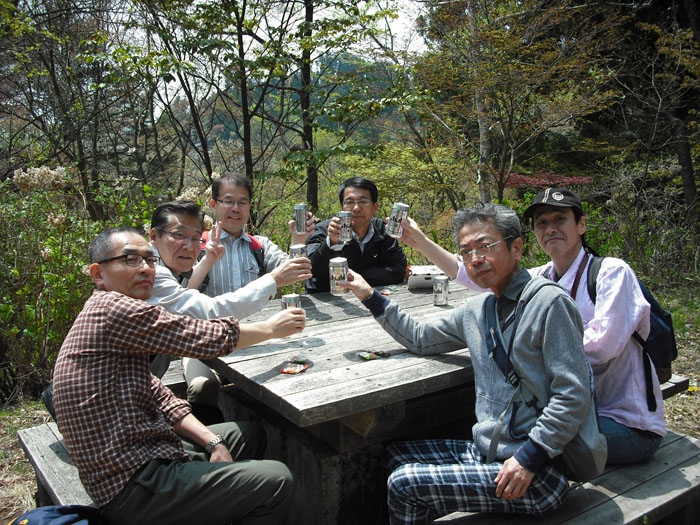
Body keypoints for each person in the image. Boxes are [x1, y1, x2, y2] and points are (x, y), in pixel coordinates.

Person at [341, 203, 592, 523]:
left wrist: (529, 458)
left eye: (485, 246)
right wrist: (369, 295)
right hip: (489, 452)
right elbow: (420, 337)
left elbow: (573, 396)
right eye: (466, 251)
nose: (475, 259)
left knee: (404, 483)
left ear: (516, 248)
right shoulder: (479, 310)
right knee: (391, 456)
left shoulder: (549, 303)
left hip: (538, 471)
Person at [52, 226, 301, 524]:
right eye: (130, 259)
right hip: (131, 484)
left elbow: (159, 395)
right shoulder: (112, 310)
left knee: (248, 434)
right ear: (98, 274)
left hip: (149, 447)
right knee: (277, 479)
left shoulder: (114, 319)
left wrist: (213, 442)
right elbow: (199, 335)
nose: (145, 268)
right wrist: (271, 329)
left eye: (149, 260)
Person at [398, 188, 666, 465]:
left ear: (581, 225)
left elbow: (602, 348)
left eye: (560, 219)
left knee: (516, 438)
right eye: (541, 223)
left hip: (624, 422)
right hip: (573, 413)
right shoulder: (543, 276)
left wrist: (530, 347)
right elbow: (472, 273)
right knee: (497, 430)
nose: (550, 229)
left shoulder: (612, 272)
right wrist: (420, 241)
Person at [147, 200, 312, 422]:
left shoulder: (258, 245)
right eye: (179, 235)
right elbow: (209, 313)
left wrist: (298, 241)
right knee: (206, 389)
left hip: (237, 344)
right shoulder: (150, 275)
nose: (188, 245)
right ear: (154, 236)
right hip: (130, 407)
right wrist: (272, 283)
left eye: (195, 238)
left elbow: (184, 300)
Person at [202, 172, 314, 297]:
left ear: (249, 206)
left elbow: (294, 272)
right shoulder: (199, 247)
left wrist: (298, 241)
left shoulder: (260, 247)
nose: (236, 208)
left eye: (242, 202)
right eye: (228, 201)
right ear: (213, 205)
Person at [305, 176, 408, 293]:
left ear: (375, 207)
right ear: (342, 207)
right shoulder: (324, 230)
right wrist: (331, 243)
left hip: (373, 297)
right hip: (328, 300)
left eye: (363, 202)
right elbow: (312, 272)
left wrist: (353, 278)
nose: (356, 208)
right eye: (349, 202)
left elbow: (398, 270)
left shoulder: (383, 230)